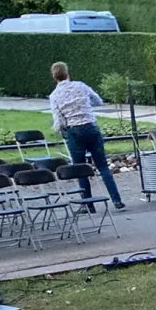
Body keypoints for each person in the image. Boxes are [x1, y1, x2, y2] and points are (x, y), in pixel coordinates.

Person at [48, 62, 125, 210]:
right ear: (67, 73)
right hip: (91, 127)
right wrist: (85, 106)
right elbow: (98, 101)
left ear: (54, 77)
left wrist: (61, 129)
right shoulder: (81, 86)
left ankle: (88, 204)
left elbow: (59, 120)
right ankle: (116, 199)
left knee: (80, 168)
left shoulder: (54, 96)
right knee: (102, 165)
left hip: (74, 132)